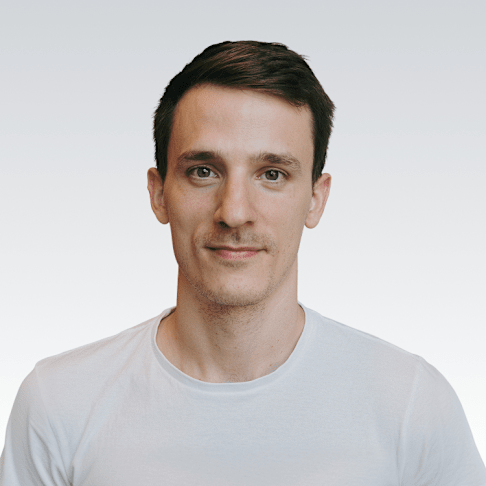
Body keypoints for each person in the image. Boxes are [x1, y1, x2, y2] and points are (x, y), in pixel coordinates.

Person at [1, 40, 485, 486]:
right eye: (203, 171)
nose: (234, 212)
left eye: (271, 174)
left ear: (316, 199)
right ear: (159, 193)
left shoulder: (412, 406)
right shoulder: (59, 404)